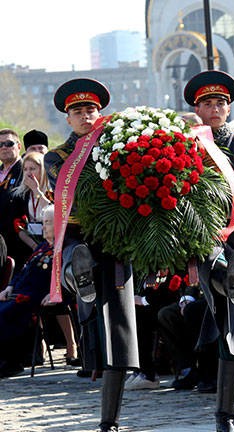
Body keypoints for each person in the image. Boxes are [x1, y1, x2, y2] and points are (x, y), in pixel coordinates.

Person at [46, 78, 140, 432]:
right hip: (78, 231)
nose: (86, 116)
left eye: (91, 110)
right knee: (75, 254)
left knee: (118, 332)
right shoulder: (57, 158)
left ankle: (109, 422)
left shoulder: (119, 148)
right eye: (78, 111)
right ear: (67, 119)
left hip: (114, 239)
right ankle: (77, 276)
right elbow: (83, 190)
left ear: (100, 113)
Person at [184, 70, 234, 432]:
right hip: (204, 238)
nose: (215, 109)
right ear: (197, 109)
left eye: (220, 103)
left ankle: (224, 417)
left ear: (228, 109)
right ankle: (220, 278)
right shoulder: (182, 147)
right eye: (207, 103)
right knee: (222, 314)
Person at [0, 205, 55, 378]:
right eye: (43, 222)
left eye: (47, 223)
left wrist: (53, 293)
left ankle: (11, 362)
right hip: (20, 292)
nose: (43, 227)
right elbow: (24, 270)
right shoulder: (42, 247)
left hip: (36, 295)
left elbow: (60, 278)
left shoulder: (61, 249)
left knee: (4, 314)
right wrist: (9, 287)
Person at [11, 152, 52, 268]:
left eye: (33, 169)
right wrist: (35, 247)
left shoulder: (52, 191)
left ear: (43, 170)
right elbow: (18, 226)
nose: (28, 173)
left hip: (50, 242)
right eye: (25, 169)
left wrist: (36, 190)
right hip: (28, 245)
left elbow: (52, 211)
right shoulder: (20, 195)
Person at [0, 129, 23, 267]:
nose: (3, 147)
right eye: (0, 144)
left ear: (19, 146)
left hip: (17, 244)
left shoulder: (27, 170)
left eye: (8, 143)